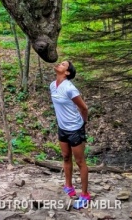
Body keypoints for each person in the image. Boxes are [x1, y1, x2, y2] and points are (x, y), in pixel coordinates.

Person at [50, 60, 90, 209]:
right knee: (66, 157)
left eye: (63, 65)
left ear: (67, 72)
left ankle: (85, 195)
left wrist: (83, 123)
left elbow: (84, 108)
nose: (59, 64)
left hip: (75, 128)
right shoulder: (52, 85)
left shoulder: (70, 88)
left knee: (80, 161)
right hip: (62, 128)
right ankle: (69, 186)